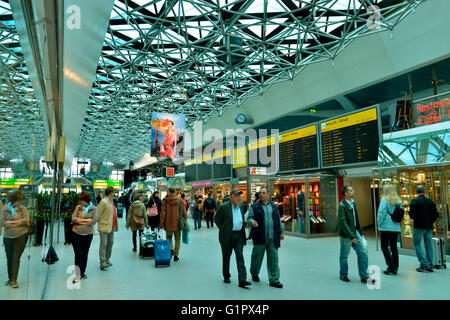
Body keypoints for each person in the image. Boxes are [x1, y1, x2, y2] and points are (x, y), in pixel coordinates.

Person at [247, 186, 284, 288]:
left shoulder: (274, 207)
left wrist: (281, 232)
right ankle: (254, 273)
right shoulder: (254, 207)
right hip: (260, 236)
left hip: (273, 237)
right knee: (257, 257)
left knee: (273, 258)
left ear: (268, 194)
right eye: (260, 193)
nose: (261, 195)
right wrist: (252, 222)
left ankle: (274, 279)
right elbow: (249, 218)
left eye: (264, 193)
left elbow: (278, 220)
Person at [336, 185, 374, 284]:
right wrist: (352, 236)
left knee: (363, 252)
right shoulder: (342, 206)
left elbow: (356, 219)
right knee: (344, 255)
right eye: (351, 190)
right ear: (346, 193)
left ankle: (364, 276)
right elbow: (343, 223)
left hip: (355, 231)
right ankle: (343, 274)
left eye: (353, 190)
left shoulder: (353, 203)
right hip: (346, 234)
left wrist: (360, 231)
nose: (354, 192)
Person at [215, 189, 251, 288]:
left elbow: (243, 219)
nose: (239, 197)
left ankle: (242, 279)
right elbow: (217, 220)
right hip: (227, 236)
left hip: (239, 235)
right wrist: (224, 230)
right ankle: (226, 276)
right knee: (226, 256)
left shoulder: (242, 207)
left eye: (239, 195)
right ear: (231, 197)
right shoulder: (224, 207)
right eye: (236, 195)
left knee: (240, 256)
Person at [2, 191, 29, 288]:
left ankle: (14, 280)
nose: (20, 203)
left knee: (16, 258)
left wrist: (11, 223)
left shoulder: (23, 209)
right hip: (8, 237)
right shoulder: (5, 209)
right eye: (19, 201)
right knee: (9, 258)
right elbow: (3, 223)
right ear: (14, 201)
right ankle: (10, 279)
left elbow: (26, 220)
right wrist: (18, 222)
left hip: (20, 236)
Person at [409, 185, 439, 273]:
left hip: (418, 226)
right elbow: (436, 215)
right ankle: (430, 264)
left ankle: (424, 263)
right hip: (429, 227)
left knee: (416, 243)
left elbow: (412, 215)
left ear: (416, 191)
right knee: (428, 244)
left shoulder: (415, 201)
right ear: (424, 191)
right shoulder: (430, 201)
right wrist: (430, 222)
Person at [71, 191, 98, 283]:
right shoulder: (78, 208)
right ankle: (77, 275)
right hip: (76, 233)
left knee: (85, 253)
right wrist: (86, 221)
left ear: (85, 200)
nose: (80, 203)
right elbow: (73, 218)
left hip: (88, 235)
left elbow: (93, 221)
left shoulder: (94, 209)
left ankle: (83, 272)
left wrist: (79, 221)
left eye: (81, 201)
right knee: (78, 254)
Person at [377, 184, 402, 275]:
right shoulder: (398, 200)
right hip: (395, 227)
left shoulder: (384, 200)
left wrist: (379, 224)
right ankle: (395, 266)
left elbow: (381, 213)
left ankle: (391, 266)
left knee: (384, 246)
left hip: (386, 227)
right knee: (394, 247)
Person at [159, 188, 187, 261]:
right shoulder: (180, 200)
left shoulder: (165, 200)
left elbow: (163, 213)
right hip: (178, 223)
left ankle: (171, 249)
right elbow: (184, 212)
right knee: (177, 239)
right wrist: (185, 220)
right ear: (175, 192)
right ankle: (176, 255)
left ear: (168, 192)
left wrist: (161, 223)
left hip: (168, 223)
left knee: (169, 237)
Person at [97, 186, 119, 271]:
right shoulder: (103, 202)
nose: (114, 194)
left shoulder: (111, 201)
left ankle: (107, 259)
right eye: (113, 192)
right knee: (104, 244)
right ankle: (102, 263)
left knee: (110, 243)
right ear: (110, 193)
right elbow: (98, 214)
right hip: (104, 226)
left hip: (111, 226)